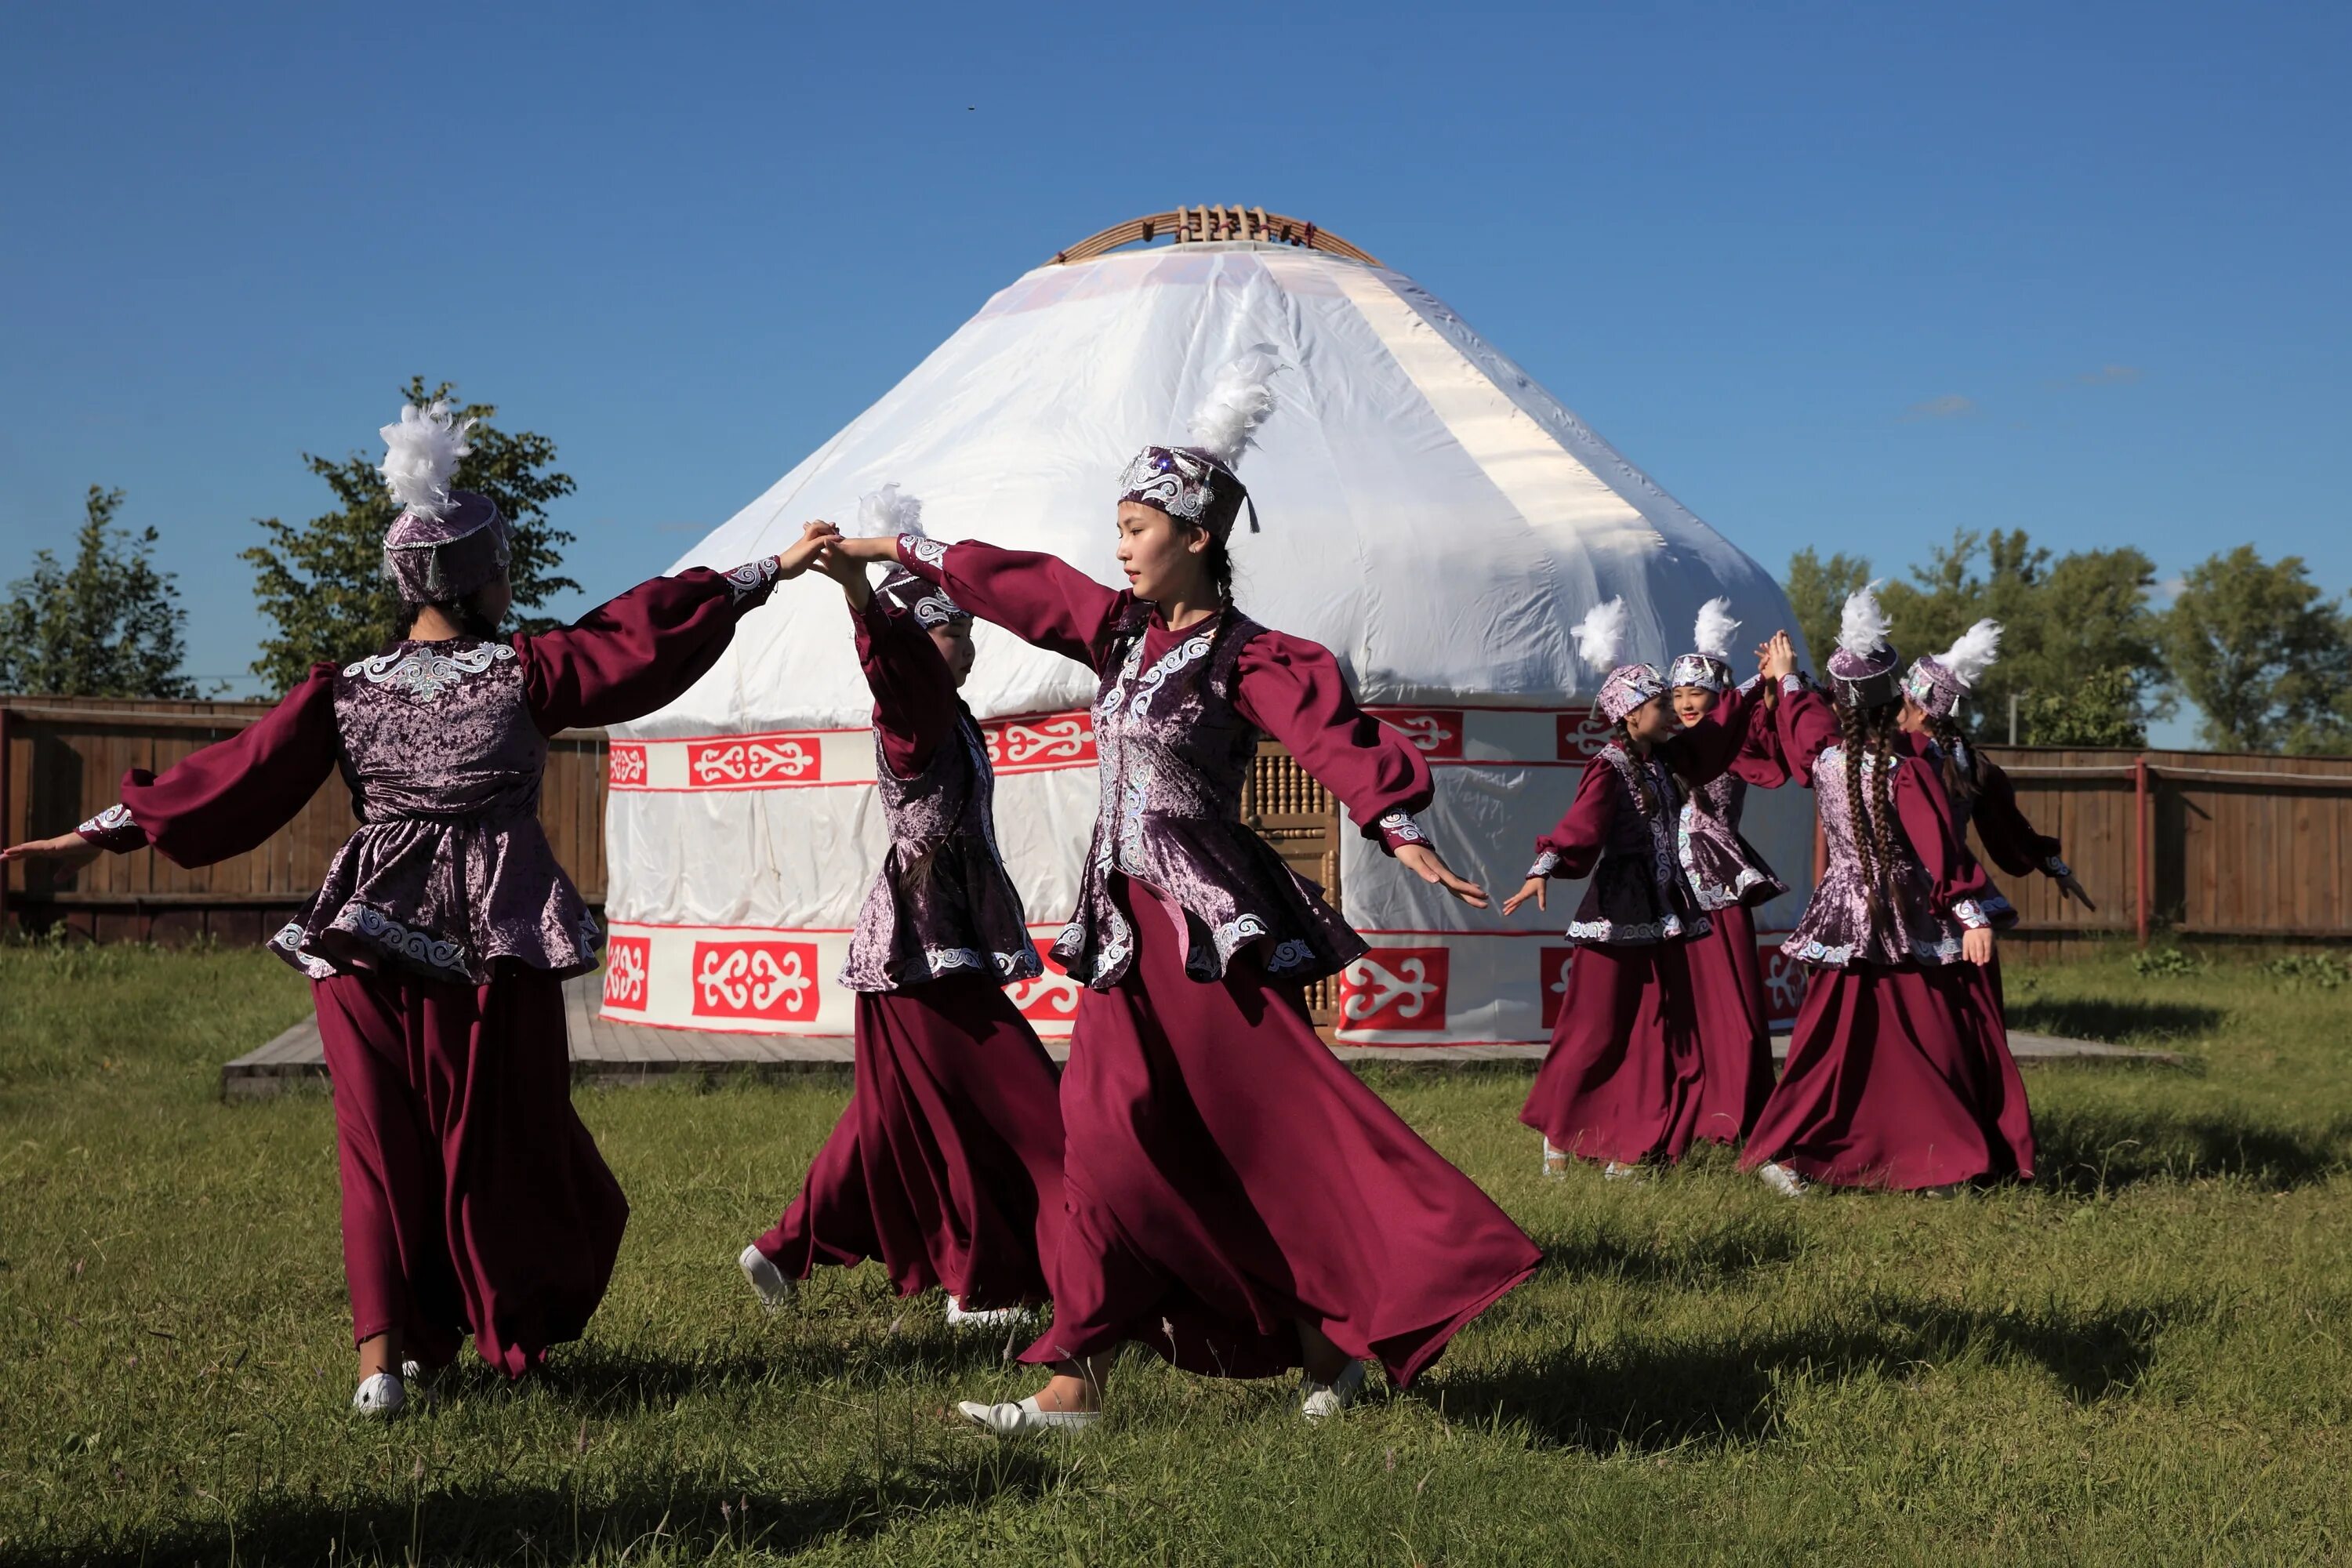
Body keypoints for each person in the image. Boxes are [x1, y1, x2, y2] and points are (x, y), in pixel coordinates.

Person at [4, 401, 824, 1415]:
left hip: (363, 945)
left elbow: (235, 776)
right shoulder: (527, 673)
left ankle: (382, 1369)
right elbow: (640, 634)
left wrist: (102, 833)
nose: (510, 582)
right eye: (503, 566)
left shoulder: (345, 691)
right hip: (490, 949)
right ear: (477, 577)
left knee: (380, 1149)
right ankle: (502, 1330)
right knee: (505, 1144)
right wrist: (763, 572)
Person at [825, 349, 1541, 1434]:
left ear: (1198, 536)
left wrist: (1394, 821)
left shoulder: (1247, 657)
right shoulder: (1116, 634)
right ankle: (1110, 1376)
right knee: (1111, 1138)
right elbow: (1018, 585)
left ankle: (1332, 1320)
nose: (1120, 549)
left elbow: (1332, 734)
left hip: (1200, 932)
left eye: (1139, 529)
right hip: (1121, 936)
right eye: (1115, 529)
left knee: (1261, 1140)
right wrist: (886, 548)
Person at [739, 491, 1067, 1330]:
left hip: (929, 942)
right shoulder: (915, 711)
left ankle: (783, 1248)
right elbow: (889, 665)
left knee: (889, 1121)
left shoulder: (949, 715)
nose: (972, 643)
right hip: (925, 947)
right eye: (957, 629)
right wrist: (861, 594)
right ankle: (983, 1282)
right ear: (924, 637)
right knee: (1025, 1105)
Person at [1740, 586, 2034, 1196]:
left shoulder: (1825, 762)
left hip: (1845, 919)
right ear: (1890, 705)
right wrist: (1972, 915)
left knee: (1829, 1043)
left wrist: (1789, 680)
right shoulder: (1907, 772)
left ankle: (1800, 1154)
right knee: (1928, 1038)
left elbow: (1803, 728)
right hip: (1905, 918)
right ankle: (1932, 1156)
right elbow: (1941, 853)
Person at [1504, 596, 1766, 1176]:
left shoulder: (1665, 761)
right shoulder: (1611, 766)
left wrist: (1754, 688)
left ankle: (1634, 1142)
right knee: (1594, 1030)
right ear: (1629, 715)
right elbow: (1582, 828)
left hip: (1665, 909)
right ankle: (1559, 1131)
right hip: (1616, 913)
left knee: (1662, 1028)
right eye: (1658, 704)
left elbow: (1712, 742)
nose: (1672, 710)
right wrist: (1543, 868)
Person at [1898, 621, 2096, 911]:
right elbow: (2011, 826)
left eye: (1903, 706)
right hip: (1953, 890)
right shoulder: (1965, 758)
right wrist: (2055, 867)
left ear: (1924, 714)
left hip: (1916, 893)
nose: (1896, 716)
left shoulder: (1907, 759)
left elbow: (2009, 825)